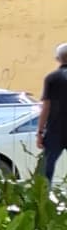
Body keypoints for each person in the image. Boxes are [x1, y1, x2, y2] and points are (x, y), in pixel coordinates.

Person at [36, 41, 67, 184]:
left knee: (47, 169)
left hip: (55, 130)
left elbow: (46, 107)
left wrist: (40, 132)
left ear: (58, 59)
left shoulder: (52, 78)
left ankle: (43, 201)